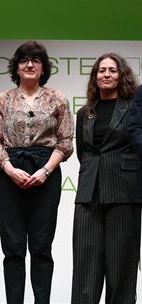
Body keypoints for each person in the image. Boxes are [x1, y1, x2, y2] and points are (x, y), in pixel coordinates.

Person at [0, 41, 74, 304]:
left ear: (43, 67)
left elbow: (66, 142)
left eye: (36, 60)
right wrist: (10, 169)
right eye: (24, 60)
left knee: (41, 247)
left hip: (46, 173)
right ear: (16, 67)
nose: (29, 64)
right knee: (13, 248)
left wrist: (46, 171)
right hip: (9, 171)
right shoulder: (3, 99)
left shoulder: (57, 98)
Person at [73, 53, 140, 304]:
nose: (107, 74)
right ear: (95, 77)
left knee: (121, 266)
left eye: (112, 70)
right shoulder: (85, 112)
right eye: (101, 70)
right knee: (85, 267)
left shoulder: (134, 108)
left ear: (121, 75)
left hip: (125, 192)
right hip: (89, 192)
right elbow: (84, 152)